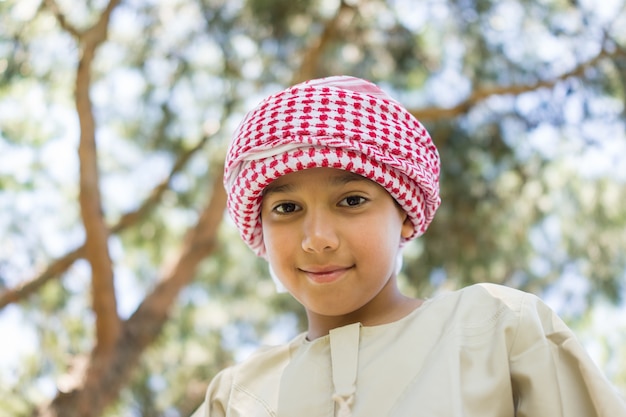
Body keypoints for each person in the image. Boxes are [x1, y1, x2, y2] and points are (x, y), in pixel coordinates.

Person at [191, 76, 626, 416]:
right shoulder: (235, 397)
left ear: (403, 212)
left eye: (352, 201)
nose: (317, 238)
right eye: (286, 208)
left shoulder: (499, 329)